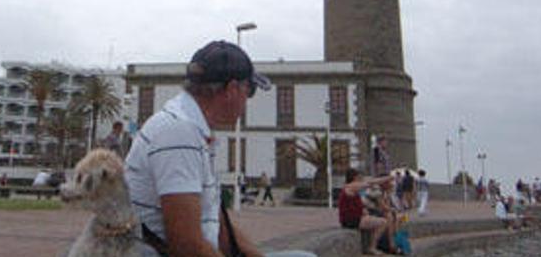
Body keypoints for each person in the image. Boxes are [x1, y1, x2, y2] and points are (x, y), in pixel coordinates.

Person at [125, 40, 314, 257]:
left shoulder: (193, 129)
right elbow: (186, 246)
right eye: (249, 91)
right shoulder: (178, 133)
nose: (248, 100)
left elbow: (218, 225)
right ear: (232, 90)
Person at [338, 168, 397, 255]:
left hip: (353, 218)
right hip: (351, 220)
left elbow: (356, 204)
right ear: (355, 177)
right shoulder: (351, 186)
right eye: (359, 176)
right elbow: (371, 182)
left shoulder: (350, 187)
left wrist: (364, 211)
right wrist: (388, 178)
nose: (361, 178)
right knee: (383, 222)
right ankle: (372, 247)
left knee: (377, 219)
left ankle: (383, 244)